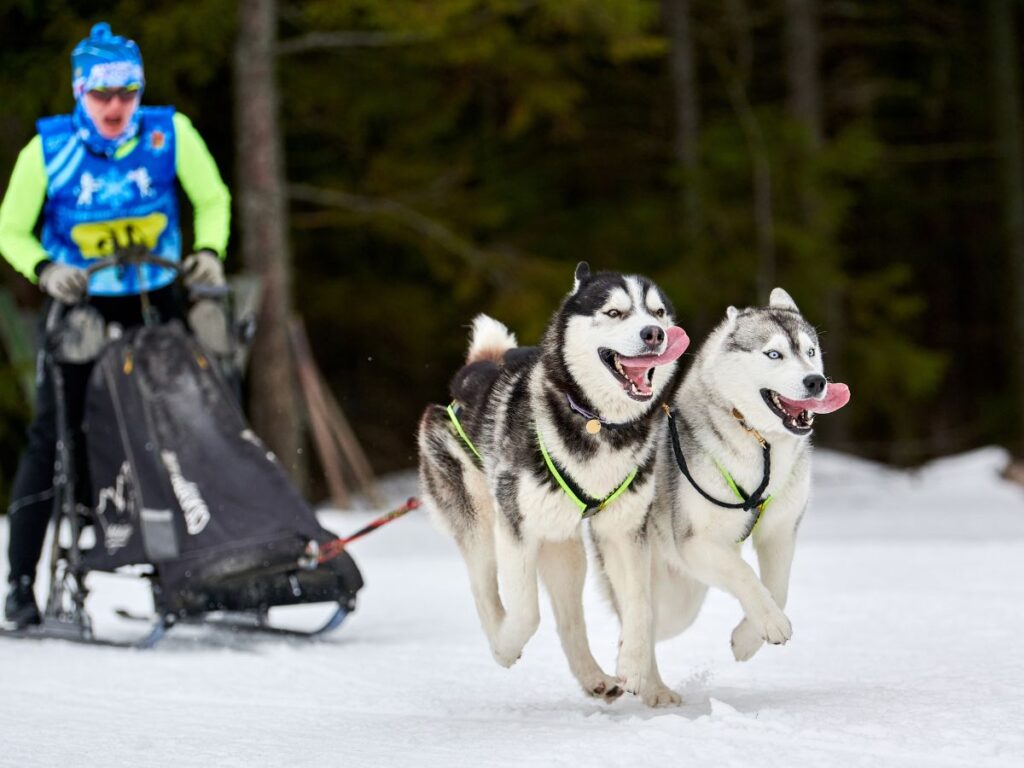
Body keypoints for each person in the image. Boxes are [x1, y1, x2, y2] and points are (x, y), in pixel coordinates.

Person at [0, 22, 231, 627]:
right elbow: (10, 229)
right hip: (81, 308)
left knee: (190, 423)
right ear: (80, 92)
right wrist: (44, 269)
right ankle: (21, 584)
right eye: (102, 95)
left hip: (156, 302)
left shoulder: (167, 132)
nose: (115, 107)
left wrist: (209, 250)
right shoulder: (47, 149)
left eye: (127, 93)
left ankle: (214, 562)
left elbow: (212, 198)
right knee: (55, 435)